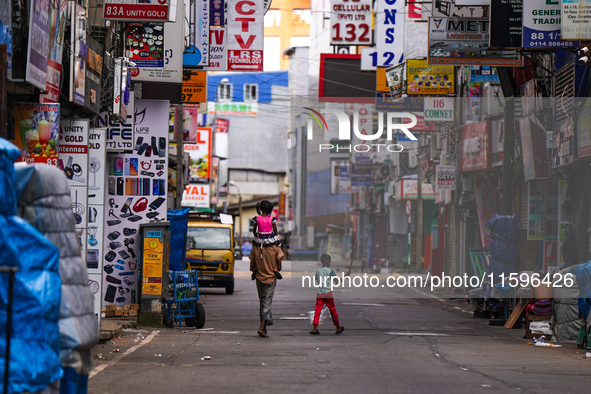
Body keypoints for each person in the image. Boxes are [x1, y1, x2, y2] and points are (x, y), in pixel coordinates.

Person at [249, 200, 284, 338]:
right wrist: (275, 268)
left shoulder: (255, 247)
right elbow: (280, 266)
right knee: (267, 301)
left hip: (258, 276)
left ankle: (265, 324)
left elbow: (251, 266)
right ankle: (263, 326)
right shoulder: (276, 248)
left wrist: (256, 270)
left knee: (262, 300)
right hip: (270, 278)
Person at [310, 254, 349, 335]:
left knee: (317, 310)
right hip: (328, 294)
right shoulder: (330, 271)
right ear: (328, 262)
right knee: (333, 311)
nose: (330, 262)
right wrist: (345, 275)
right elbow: (337, 281)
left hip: (320, 294)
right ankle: (338, 327)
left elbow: (317, 280)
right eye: (330, 261)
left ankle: (315, 328)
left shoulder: (318, 271)